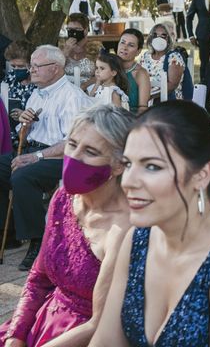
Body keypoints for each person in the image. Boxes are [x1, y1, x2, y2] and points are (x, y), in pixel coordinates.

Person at [90, 101, 210, 346]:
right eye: (129, 164)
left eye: (152, 166)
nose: (129, 181)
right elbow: (106, 340)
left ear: (201, 175)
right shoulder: (137, 240)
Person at [0, 105, 134, 347]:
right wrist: (16, 335)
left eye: (90, 151)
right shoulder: (63, 198)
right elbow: (38, 278)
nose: (74, 157)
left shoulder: (125, 228)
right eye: (72, 145)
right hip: (45, 319)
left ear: (118, 165)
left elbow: (104, 325)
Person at [0, 45, 94, 271]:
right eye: (31, 65)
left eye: (36, 66)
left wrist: (36, 156)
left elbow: (72, 143)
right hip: (32, 150)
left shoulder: (71, 97)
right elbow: (25, 135)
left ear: (54, 68)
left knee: (23, 176)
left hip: (62, 157)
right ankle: (9, 232)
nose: (30, 70)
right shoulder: (37, 92)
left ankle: (38, 240)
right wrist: (25, 123)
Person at [140, 23, 185, 100]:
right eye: (155, 35)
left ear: (168, 40)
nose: (159, 38)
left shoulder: (174, 57)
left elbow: (172, 85)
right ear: (150, 39)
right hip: (145, 98)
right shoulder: (145, 56)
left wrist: (148, 97)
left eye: (163, 35)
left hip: (168, 101)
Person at [3, 41, 36, 143]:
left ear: (32, 64)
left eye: (21, 66)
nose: (16, 70)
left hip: (30, 139)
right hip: (8, 136)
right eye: (13, 66)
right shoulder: (10, 77)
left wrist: (25, 115)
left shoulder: (40, 83)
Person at [116, 29, 150, 114]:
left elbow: (143, 108)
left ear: (138, 51)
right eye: (122, 42)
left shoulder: (140, 73)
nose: (124, 48)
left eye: (131, 45)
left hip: (131, 118)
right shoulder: (108, 66)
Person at [63, 13, 96, 90]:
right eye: (69, 29)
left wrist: (84, 86)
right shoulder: (61, 48)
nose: (72, 32)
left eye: (77, 29)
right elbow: (54, 71)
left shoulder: (96, 49)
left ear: (86, 30)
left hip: (88, 90)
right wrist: (65, 53)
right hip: (65, 91)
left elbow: (102, 75)